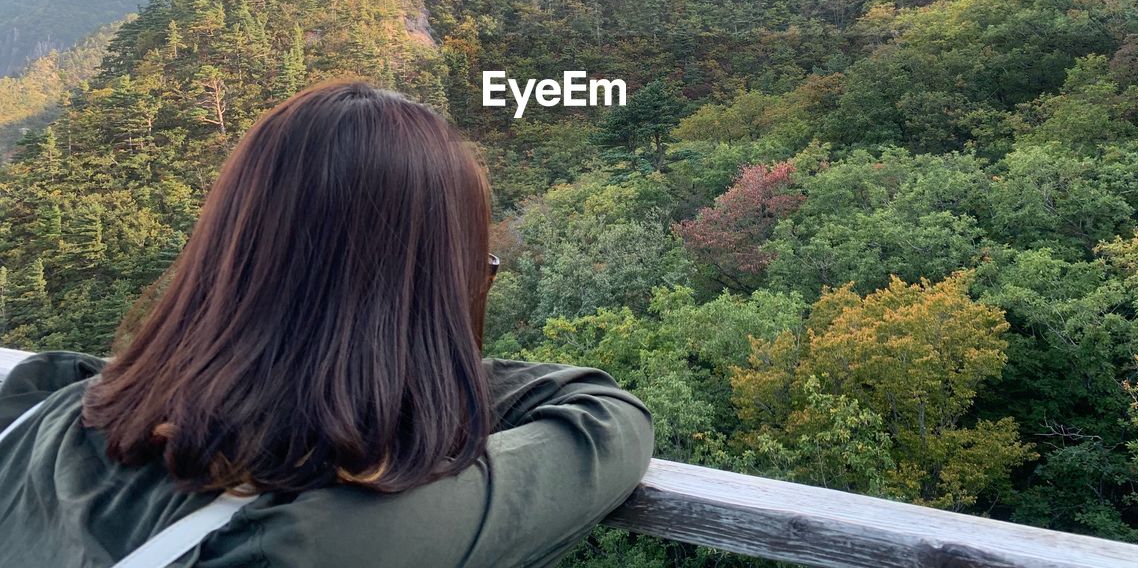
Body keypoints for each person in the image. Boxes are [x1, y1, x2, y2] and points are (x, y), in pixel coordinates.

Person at [0, 81, 653, 567]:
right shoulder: (322, 542)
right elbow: (607, 422)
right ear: (415, 315)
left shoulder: (38, 407)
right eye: (476, 277)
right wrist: (410, 369)